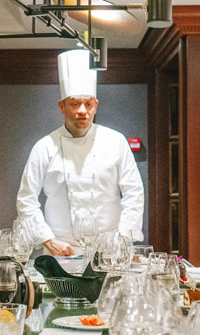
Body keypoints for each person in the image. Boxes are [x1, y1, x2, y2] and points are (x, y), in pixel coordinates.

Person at [16, 49, 144, 255]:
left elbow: (134, 193)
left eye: (88, 103)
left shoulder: (116, 141)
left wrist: (123, 238)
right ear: (61, 106)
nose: (82, 110)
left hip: (110, 248)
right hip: (61, 249)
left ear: (96, 106)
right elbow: (26, 199)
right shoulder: (44, 147)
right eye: (75, 104)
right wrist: (48, 240)